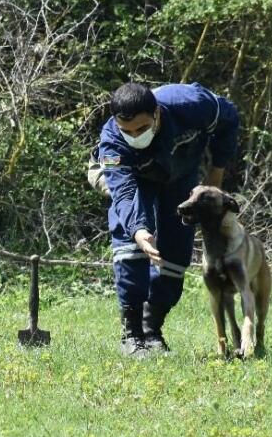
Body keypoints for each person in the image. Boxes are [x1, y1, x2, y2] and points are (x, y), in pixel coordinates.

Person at [94, 82, 240, 355]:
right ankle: (132, 336)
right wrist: (139, 231)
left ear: (157, 113)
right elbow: (124, 193)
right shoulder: (112, 142)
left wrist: (216, 174)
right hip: (133, 180)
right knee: (131, 247)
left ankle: (152, 331)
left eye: (141, 128)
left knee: (175, 251)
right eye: (127, 131)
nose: (134, 135)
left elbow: (229, 119)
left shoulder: (192, 105)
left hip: (181, 176)